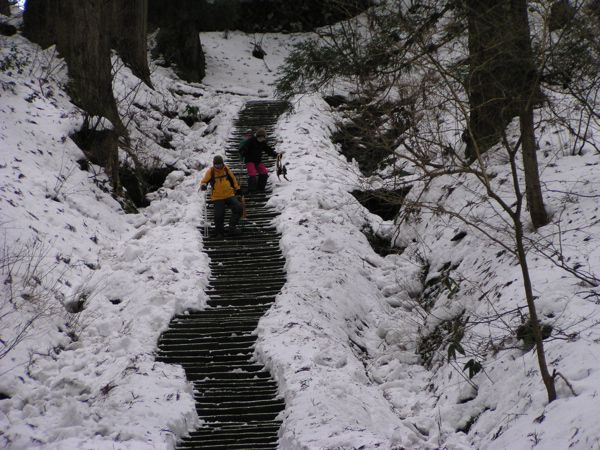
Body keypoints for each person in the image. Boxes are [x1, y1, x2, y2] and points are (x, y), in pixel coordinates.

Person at [200, 155, 243, 239]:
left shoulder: (226, 169)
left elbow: (233, 179)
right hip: (217, 197)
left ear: (222, 163)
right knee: (219, 214)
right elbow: (204, 181)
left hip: (229, 194)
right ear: (214, 164)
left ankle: (232, 228)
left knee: (238, 208)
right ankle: (219, 232)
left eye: (220, 164)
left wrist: (237, 188)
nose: (219, 166)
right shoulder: (211, 171)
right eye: (217, 164)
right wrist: (203, 186)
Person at [239, 127, 279, 193]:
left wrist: (275, 154)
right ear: (257, 136)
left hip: (258, 160)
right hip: (249, 160)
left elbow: (268, 150)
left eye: (262, 138)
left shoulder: (263, 143)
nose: (261, 139)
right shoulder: (251, 141)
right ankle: (251, 189)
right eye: (259, 137)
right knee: (252, 173)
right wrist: (243, 151)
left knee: (264, 172)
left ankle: (261, 188)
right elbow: (243, 149)